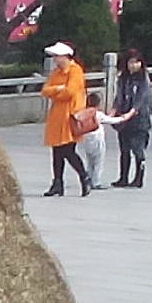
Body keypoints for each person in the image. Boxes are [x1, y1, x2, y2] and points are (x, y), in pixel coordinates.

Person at [40, 42, 90, 198]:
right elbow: (45, 90)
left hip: (70, 115)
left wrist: (57, 92)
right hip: (57, 115)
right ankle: (57, 183)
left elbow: (70, 91)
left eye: (57, 56)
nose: (55, 59)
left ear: (66, 56)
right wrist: (57, 89)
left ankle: (84, 176)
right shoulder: (56, 73)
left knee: (68, 150)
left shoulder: (75, 71)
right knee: (56, 151)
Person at [110, 49, 152, 188]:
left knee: (137, 149)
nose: (134, 65)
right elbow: (119, 97)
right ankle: (123, 177)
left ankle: (138, 178)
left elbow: (141, 98)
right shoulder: (123, 78)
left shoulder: (143, 78)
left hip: (139, 119)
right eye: (131, 62)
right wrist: (114, 111)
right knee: (124, 149)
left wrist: (131, 112)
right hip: (123, 119)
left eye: (137, 62)